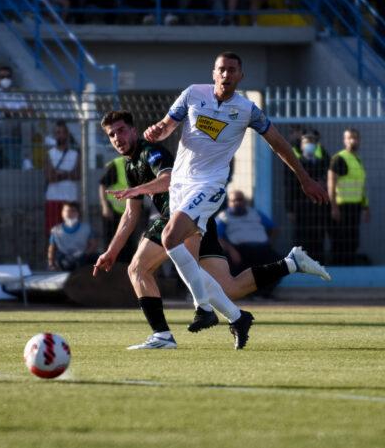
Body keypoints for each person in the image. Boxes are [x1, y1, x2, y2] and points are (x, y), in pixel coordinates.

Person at [94, 110, 330, 349]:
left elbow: (168, 179)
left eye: (121, 131)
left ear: (134, 130)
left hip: (178, 216)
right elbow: (131, 214)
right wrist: (111, 252)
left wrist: (136, 190)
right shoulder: (130, 165)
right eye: (112, 134)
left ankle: (162, 335)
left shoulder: (151, 151)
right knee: (229, 288)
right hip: (199, 218)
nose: (117, 138)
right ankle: (291, 264)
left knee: (138, 268)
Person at [143, 52, 329, 349]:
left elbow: (278, 143)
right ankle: (237, 316)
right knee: (193, 266)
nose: (226, 75)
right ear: (213, 73)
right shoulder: (193, 94)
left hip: (210, 185)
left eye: (232, 70)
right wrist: (156, 131)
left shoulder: (247, 110)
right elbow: (167, 125)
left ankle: (202, 309)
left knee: (169, 238)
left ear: (241, 76)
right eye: (221, 69)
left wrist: (304, 178)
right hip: (180, 186)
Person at [216, 189, 281, 294]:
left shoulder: (255, 213)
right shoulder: (223, 217)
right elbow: (216, 237)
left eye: (240, 199)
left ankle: (265, 293)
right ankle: (245, 294)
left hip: (262, 249)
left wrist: (269, 241)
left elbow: (274, 228)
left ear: (245, 201)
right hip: (240, 251)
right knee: (229, 265)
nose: (237, 202)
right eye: (234, 200)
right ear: (229, 202)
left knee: (279, 264)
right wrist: (231, 250)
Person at [328, 128, 369, 265]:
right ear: (344, 140)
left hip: (355, 206)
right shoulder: (339, 158)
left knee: (353, 241)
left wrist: (366, 206)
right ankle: (339, 267)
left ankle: (350, 265)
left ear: (359, 140)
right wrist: (334, 207)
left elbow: (360, 185)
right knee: (341, 241)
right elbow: (331, 184)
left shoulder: (357, 159)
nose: (352, 140)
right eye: (349, 137)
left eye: (355, 137)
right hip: (342, 207)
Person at [286, 132, 329, 262]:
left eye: (312, 142)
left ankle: (318, 263)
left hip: (318, 205)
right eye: (306, 142)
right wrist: (290, 209)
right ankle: (300, 263)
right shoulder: (297, 163)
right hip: (301, 205)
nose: (309, 145)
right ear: (301, 146)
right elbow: (290, 187)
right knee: (301, 235)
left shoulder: (322, 162)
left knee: (318, 235)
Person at [44, 120, 80, 235]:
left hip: (70, 198)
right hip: (53, 198)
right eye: (58, 132)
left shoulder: (75, 154)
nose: (60, 135)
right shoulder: (50, 154)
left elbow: (78, 175)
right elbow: (50, 177)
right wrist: (68, 174)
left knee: (71, 231)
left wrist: (59, 174)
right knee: (52, 232)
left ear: (67, 134)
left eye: (63, 132)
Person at [98, 155, 135, 261]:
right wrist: (105, 206)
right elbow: (102, 185)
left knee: (129, 243)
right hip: (114, 211)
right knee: (111, 241)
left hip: (131, 210)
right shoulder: (118, 164)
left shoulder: (142, 163)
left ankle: (124, 267)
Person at [48, 202, 98, 271]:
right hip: (64, 259)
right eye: (66, 211)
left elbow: (93, 245)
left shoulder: (86, 228)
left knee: (95, 258)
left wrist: (84, 255)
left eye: (73, 211)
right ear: (62, 213)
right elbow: (52, 248)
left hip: (81, 258)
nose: (69, 213)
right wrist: (51, 264)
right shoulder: (55, 230)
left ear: (78, 213)